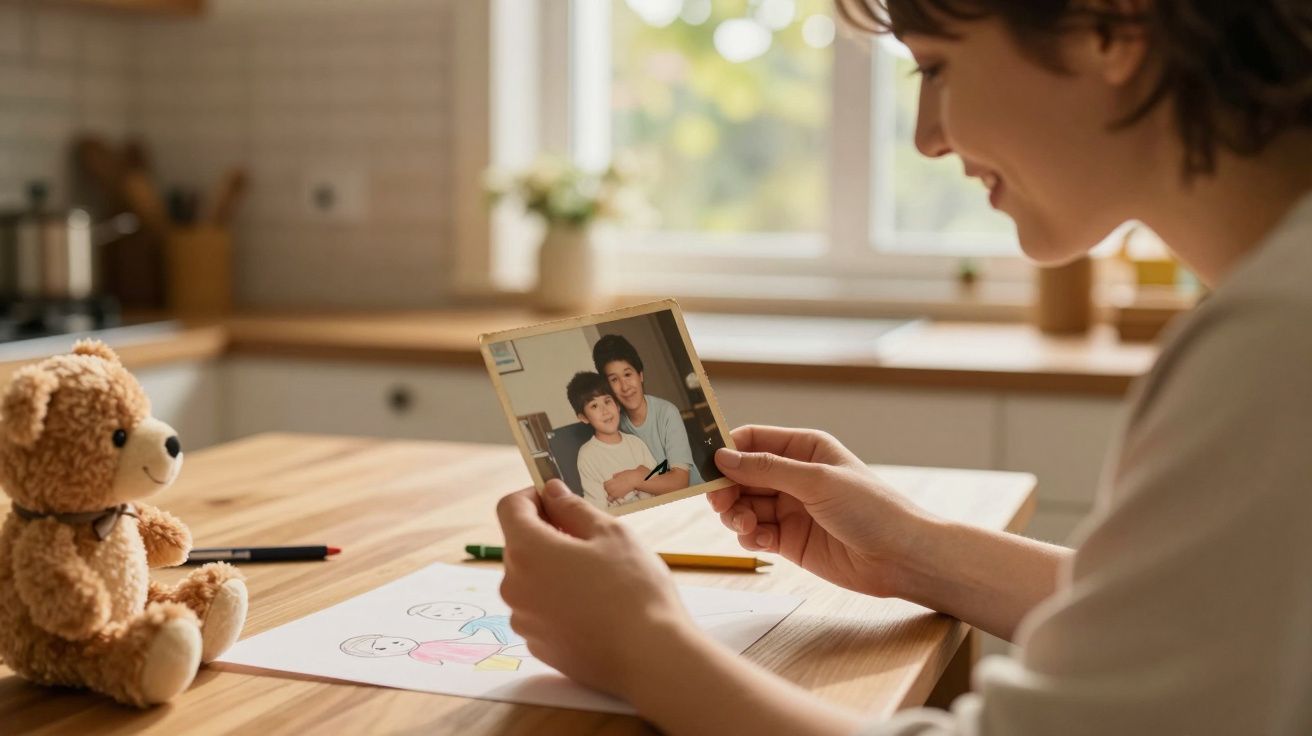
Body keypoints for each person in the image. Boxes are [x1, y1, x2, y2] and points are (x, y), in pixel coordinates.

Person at [497, 1, 1312, 734]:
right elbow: (1205, 625)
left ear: (1113, 27)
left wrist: (644, 649)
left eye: (936, 67)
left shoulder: (1278, 340)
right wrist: (913, 551)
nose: (927, 136)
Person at [592, 333, 704, 492]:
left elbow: (681, 481)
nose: (625, 387)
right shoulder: (615, 425)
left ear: (640, 375)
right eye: (614, 380)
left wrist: (636, 479)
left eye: (628, 374)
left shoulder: (666, 413)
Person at [565, 371, 658, 508]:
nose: (605, 411)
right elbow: (598, 507)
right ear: (583, 417)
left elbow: (659, 480)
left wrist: (640, 478)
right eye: (594, 406)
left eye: (607, 401)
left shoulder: (635, 443)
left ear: (617, 405)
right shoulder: (588, 455)